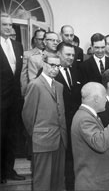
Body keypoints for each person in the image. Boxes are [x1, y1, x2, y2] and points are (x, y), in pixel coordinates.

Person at [71, 82, 109, 191]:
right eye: (105, 97)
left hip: (96, 181)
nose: (106, 100)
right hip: (94, 184)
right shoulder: (85, 119)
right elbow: (100, 144)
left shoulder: (88, 115)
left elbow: (91, 148)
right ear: (96, 99)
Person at [22, 54, 67, 191]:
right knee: (42, 181)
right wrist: (37, 135)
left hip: (60, 139)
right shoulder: (35, 85)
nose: (55, 69)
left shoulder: (59, 86)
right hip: (42, 140)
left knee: (58, 180)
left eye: (58, 66)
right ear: (44, 64)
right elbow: (27, 116)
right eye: (52, 65)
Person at [0, 12, 25, 183]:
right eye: (5, 24)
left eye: (10, 24)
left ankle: (9, 170)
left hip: (15, 101)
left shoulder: (18, 45)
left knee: (12, 136)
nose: (9, 27)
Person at [55, 42, 82, 190]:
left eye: (73, 55)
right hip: (58, 126)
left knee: (72, 162)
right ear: (58, 54)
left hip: (74, 126)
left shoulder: (76, 72)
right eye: (68, 54)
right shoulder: (48, 72)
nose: (71, 57)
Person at [20, 29, 46, 96]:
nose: (43, 41)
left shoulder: (50, 54)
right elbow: (24, 76)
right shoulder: (27, 54)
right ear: (35, 40)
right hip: (33, 90)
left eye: (45, 39)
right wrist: (25, 92)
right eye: (40, 39)